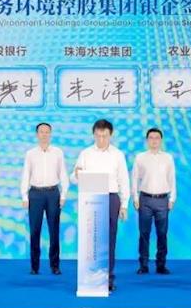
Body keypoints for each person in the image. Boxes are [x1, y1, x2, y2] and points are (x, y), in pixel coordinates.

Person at [72, 119, 129, 292]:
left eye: (104, 136)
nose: (101, 139)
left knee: (109, 239)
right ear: (93, 134)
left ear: (111, 135)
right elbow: (73, 178)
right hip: (90, 199)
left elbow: (123, 180)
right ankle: (88, 276)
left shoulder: (118, 155)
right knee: (90, 239)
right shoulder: (85, 154)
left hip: (111, 198)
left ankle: (107, 278)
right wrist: (76, 175)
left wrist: (124, 205)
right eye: (98, 136)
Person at [20, 122, 69, 275]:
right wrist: (24, 196)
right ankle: (34, 266)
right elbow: (26, 174)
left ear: (51, 134)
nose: (44, 134)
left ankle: (55, 265)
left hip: (53, 193)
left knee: (54, 230)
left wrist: (63, 194)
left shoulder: (58, 152)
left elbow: (63, 174)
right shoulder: (30, 154)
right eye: (41, 132)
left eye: (47, 132)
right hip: (35, 194)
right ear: (37, 134)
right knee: (34, 230)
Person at [132, 128, 176, 275]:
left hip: (162, 200)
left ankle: (161, 265)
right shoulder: (140, 157)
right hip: (145, 199)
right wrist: (135, 197)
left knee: (162, 234)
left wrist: (172, 198)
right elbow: (134, 179)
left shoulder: (168, 158)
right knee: (144, 233)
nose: (154, 141)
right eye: (151, 138)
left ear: (161, 140)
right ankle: (143, 265)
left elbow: (172, 179)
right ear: (147, 140)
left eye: (157, 138)